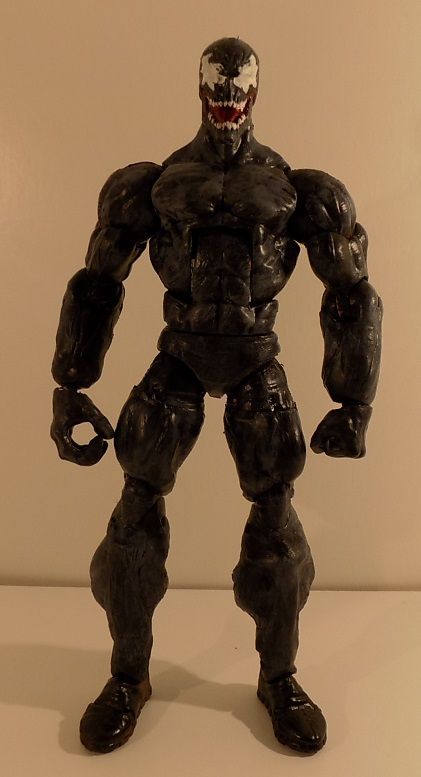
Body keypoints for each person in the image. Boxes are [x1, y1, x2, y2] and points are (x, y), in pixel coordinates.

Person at [51, 37, 382, 755]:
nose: (227, 100)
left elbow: (351, 294)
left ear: (253, 94)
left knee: (276, 523)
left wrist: (353, 400)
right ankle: (128, 674)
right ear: (201, 92)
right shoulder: (149, 185)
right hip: (179, 354)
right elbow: (97, 284)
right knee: (133, 516)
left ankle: (279, 677)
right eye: (217, 88)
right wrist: (70, 386)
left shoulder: (301, 191)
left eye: (237, 89)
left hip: (257, 358)